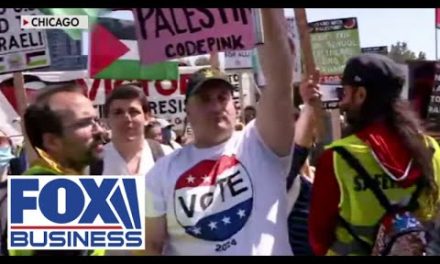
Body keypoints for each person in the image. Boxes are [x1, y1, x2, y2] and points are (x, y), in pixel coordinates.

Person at [143, 9, 296, 255]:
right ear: (187, 113)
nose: (215, 106)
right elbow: (152, 245)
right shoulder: (160, 173)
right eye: (204, 99)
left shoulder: (260, 143)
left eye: (222, 97)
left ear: (234, 105)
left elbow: (279, 82)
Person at [309, 54, 440, 256]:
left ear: (361, 95)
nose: (341, 103)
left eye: (344, 93)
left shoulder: (336, 158)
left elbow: (318, 239)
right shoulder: (431, 150)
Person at [8, 84, 107, 256]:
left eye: (96, 120)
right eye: (84, 123)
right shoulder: (56, 197)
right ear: (52, 141)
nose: (100, 130)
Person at [90, 84, 173, 176]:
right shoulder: (92, 164)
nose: (127, 119)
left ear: (147, 117)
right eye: (118, 113)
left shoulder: (168, 156)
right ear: (106, 120)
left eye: (133, 112)